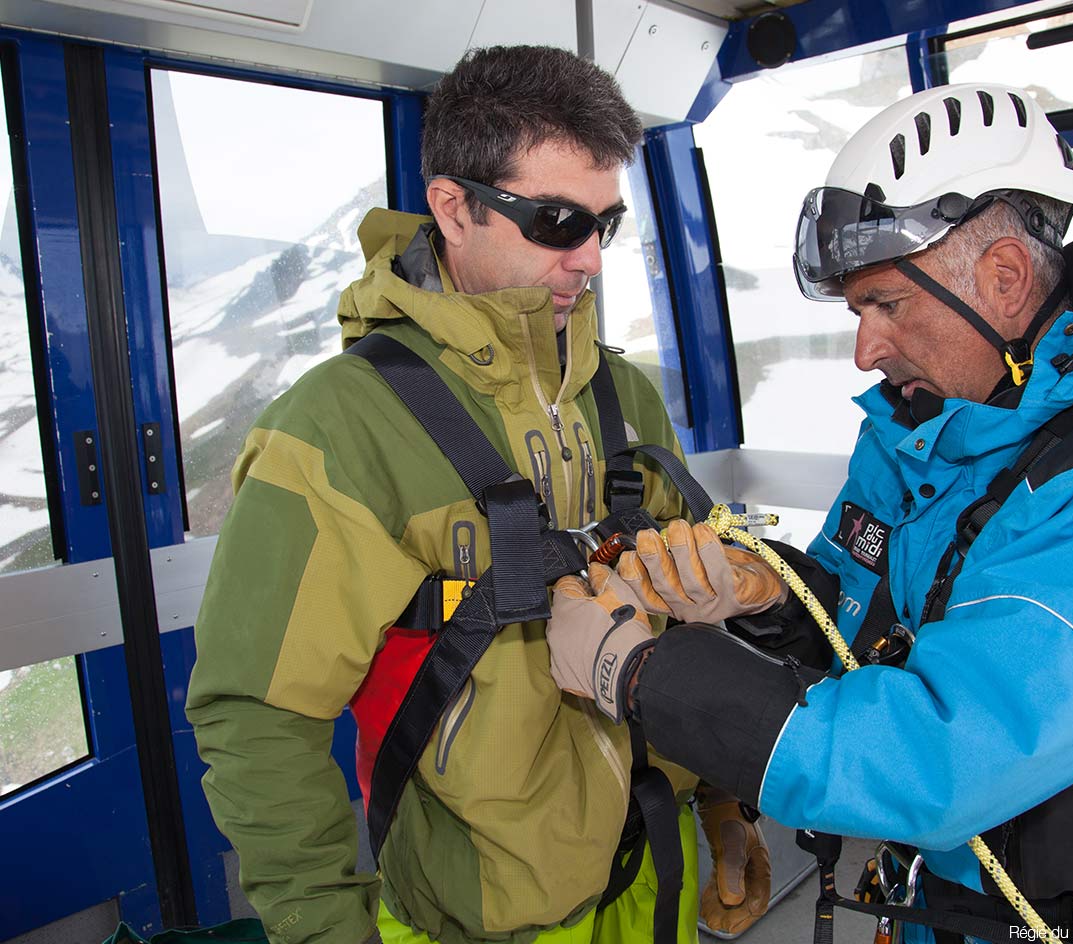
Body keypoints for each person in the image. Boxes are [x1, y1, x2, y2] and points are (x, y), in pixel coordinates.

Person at [544, 82, 1073, 942]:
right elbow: (857, 613)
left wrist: (635, 674)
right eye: (858, 311)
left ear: (1003, 279)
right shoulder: (919, 434)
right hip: (938, 901)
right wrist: (767, 599)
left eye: (886, 305)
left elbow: (939, 758)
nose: (865, 350)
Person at [185, 44, 772, 944]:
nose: (590, 259)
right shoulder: (340, 429)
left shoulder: (626, 397)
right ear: (453, 206)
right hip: (479, 915)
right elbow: (258, 716)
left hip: (655, 868)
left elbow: (697, 616)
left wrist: (728, 806)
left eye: (605, 225)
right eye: (554, 220)